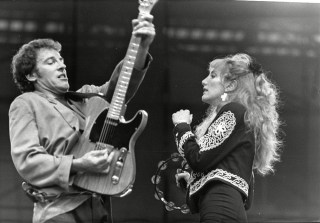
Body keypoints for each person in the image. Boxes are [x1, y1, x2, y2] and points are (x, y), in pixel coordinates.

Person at [9, 13, 155, 223]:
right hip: (58, 210)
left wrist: (141, 47)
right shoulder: (26, 103)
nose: (62, 66)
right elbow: (28, 161)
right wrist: (79, 164)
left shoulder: (87, 98)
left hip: (100, 206)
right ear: (31, 75)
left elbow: (119, 88)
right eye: (51, 62)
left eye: (61, 61)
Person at [172, 53, 282, 223]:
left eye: (213, 75)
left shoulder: (233, 111)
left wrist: (182, 126)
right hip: (227, 210)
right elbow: (236, 184)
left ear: (230, 85)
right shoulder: (242, 117)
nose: (204, 81)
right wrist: (195, 181)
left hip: (220, 211)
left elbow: (198, 159)